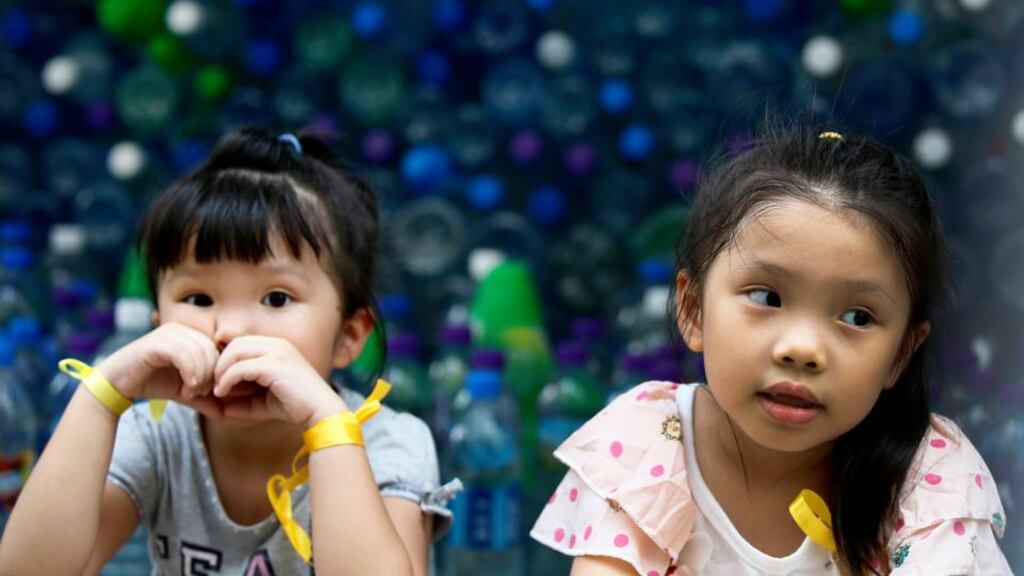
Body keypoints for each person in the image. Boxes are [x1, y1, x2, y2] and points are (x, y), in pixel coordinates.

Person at [530, 127, 1011, 575]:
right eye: (766, 298)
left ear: (901, 354)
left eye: (857, 317)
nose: (802, 349)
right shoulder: (644, 444)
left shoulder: (932, 478)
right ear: (694, 310)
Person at [0, 128, 458, 575]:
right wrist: (102, 395)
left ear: (349, 338)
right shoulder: (158, 433)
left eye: (277, 298)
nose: (230, 330)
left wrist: (327, 425)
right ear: (158, 326)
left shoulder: (387, 442)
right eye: (198, 299)